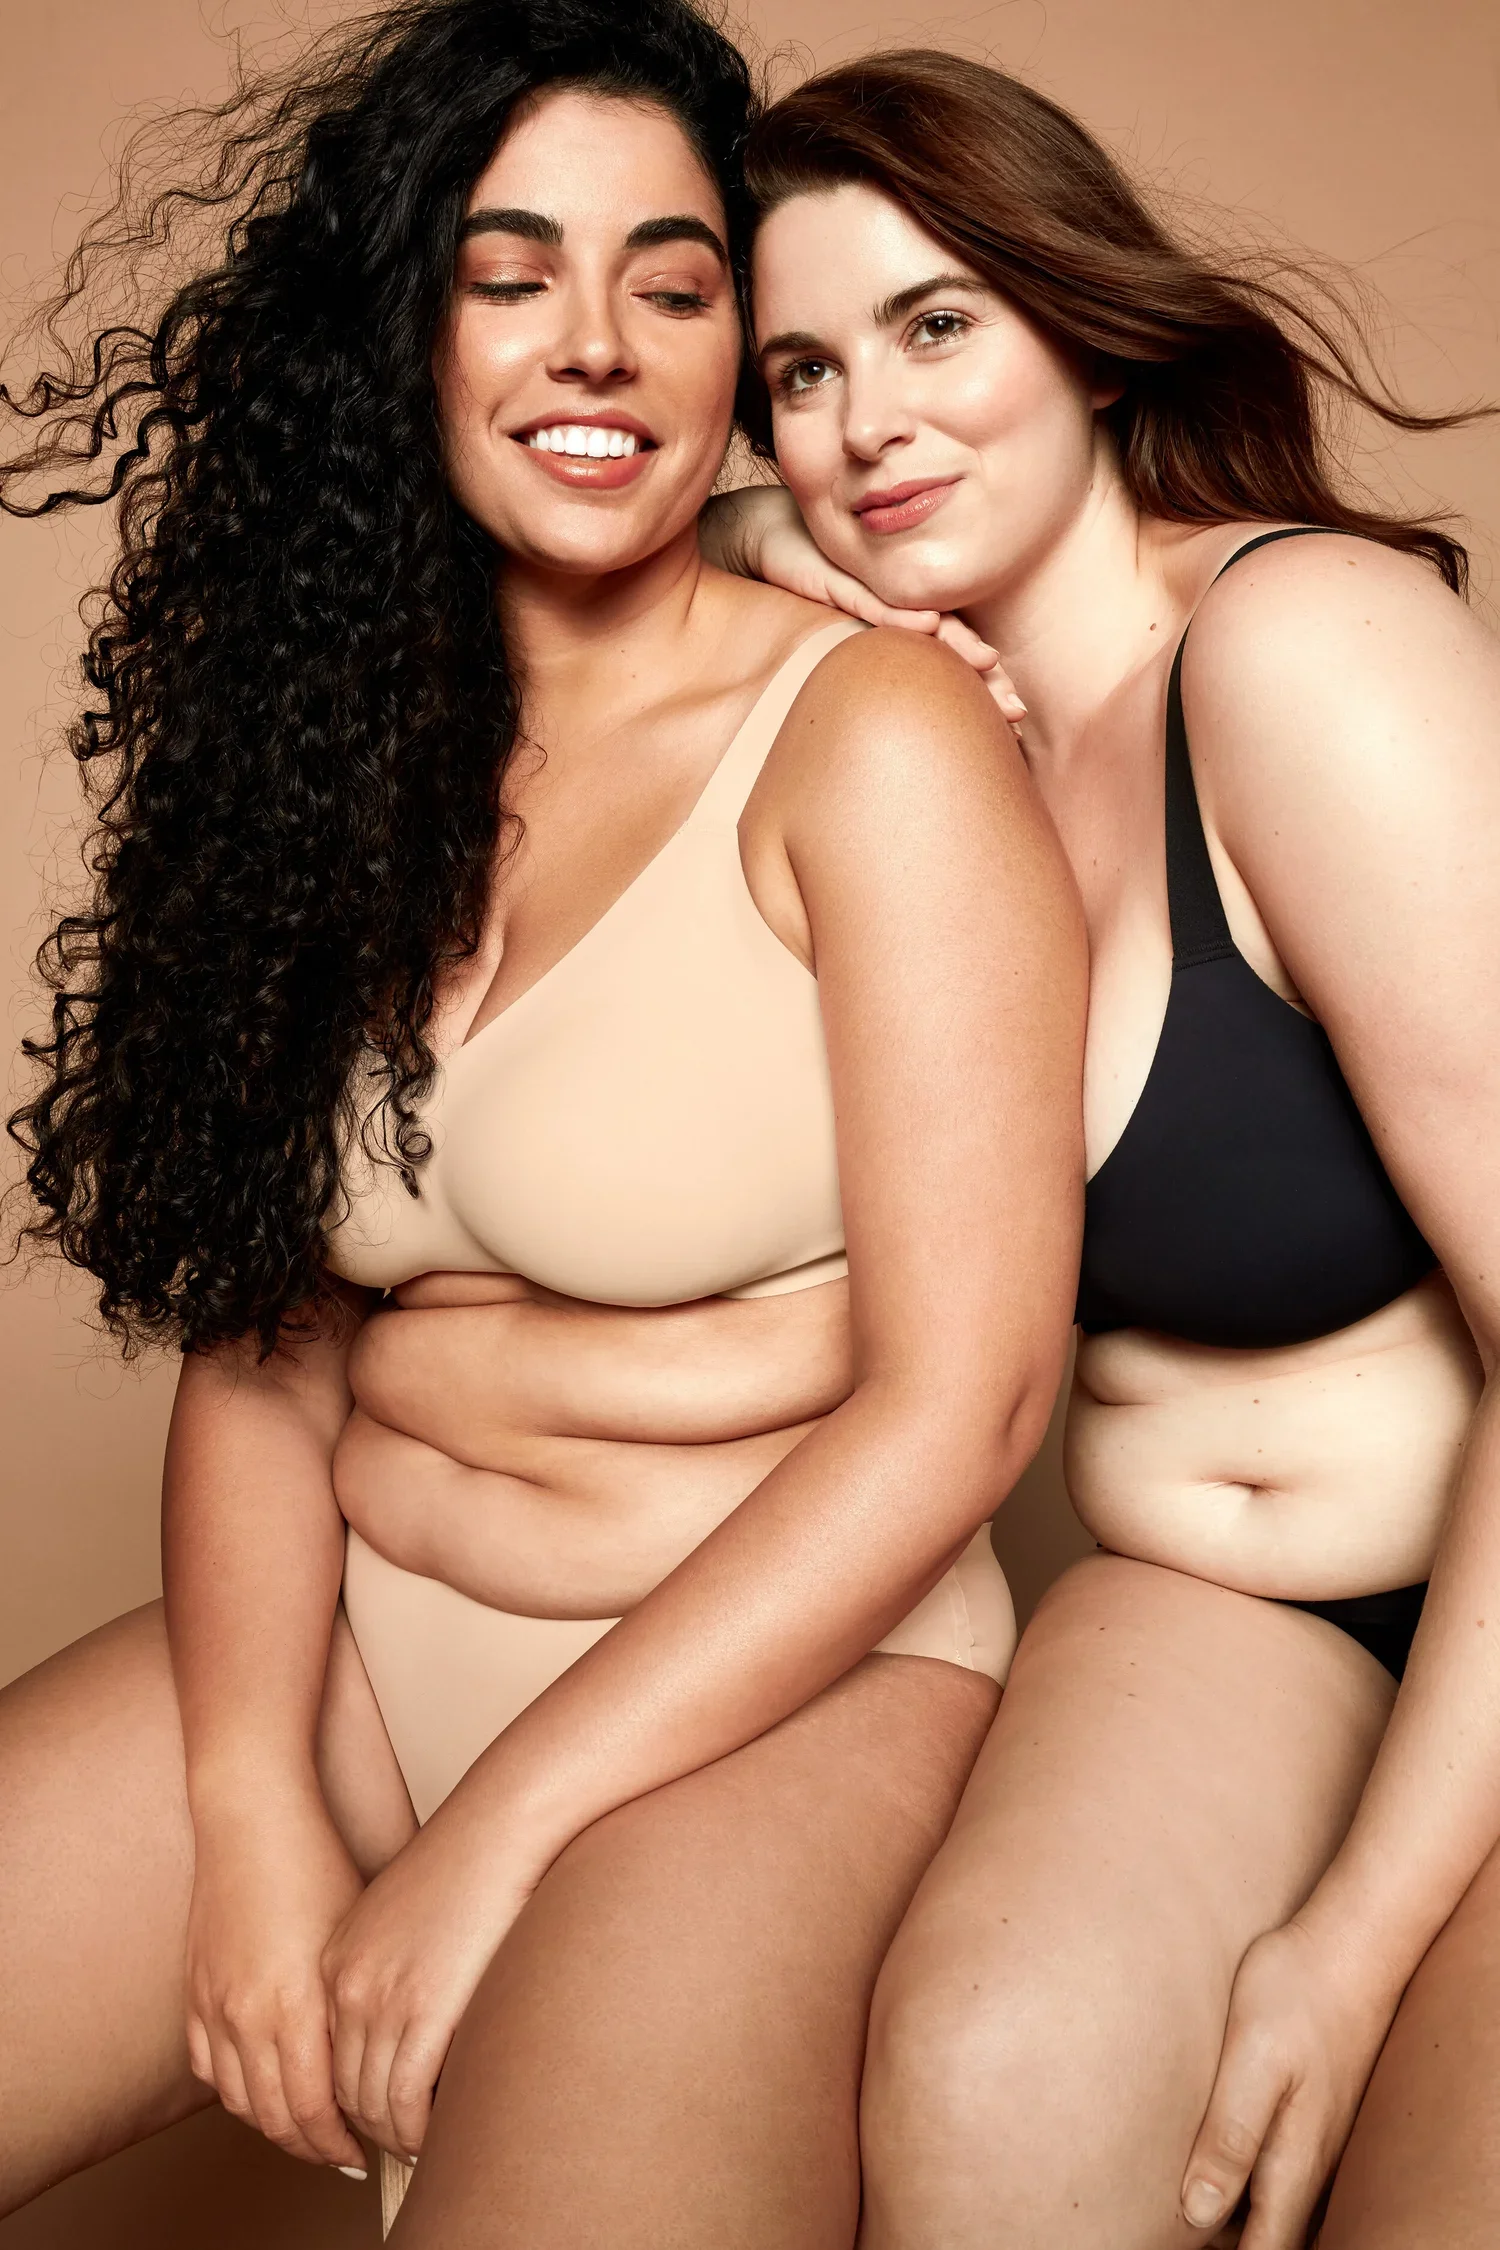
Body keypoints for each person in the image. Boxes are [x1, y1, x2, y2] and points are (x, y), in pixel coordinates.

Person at [0, 11, 1086, 2244]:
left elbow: (968, 1403)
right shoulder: (325, 758)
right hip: (357, 1639)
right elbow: (262, 1340)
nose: (596, 345)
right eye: (513, 274)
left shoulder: (872, 733)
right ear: (403, 325)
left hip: (781, 1690)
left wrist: (500, 1831)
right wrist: (252, 1815)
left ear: (736, 346)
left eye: (674, 286)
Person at [497, 43, 1497, 2250]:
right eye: (799, 373)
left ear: (1077, 314)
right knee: (989, 2095)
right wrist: (784, 535)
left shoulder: (1308, 652)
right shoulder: (934, 738)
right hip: (1233, 1614)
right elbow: (656, 523)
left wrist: (1353, 1937)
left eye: (938, 326)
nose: (870, 426)